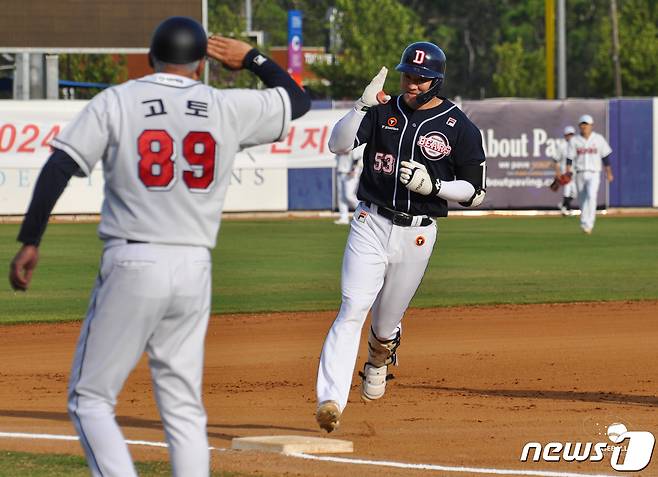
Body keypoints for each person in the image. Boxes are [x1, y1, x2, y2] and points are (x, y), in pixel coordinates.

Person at [8, 16, 310, 477]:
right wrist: (251, 58)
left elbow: (59, 166)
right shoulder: (224, 106)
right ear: (200, 63)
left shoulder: (119, 100)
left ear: (151, 58)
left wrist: (30, 240)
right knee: (184, 407)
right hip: (194, 266)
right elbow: (297, 101)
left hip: (133, 259)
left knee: (89, 399)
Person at [315, 42, 486, 432]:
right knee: (352, 308)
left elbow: (476, 191)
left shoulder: (460, 127)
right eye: (408, 74)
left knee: (385, 323)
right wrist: (360, 106)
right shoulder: (382, 111)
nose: (411, 83)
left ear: (436, 82)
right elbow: (338, 144)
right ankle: (330, 400)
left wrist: (435, 185)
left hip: (417, 233)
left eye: (420, 78)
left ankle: (379, 357)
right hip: (370, 221)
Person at [566, 114, 613, 234]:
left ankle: (589, 224)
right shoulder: (575, 140)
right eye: (582, 124)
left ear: (591, 125)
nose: (584, 126)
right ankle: (584, 223)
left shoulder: (598, 139)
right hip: (579, 172)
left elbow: (605, 157)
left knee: (592, 196)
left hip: (594, 172)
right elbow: (569, 158)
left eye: (586, 124)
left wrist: (608, 172)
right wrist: (567, 171)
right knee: (582, 199)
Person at [334, 147, 362, 224]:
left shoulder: (353, 143)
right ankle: (344, 217)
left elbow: (357, 157)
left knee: (348, 196)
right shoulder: (340, 144)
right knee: (341, 197)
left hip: (350, 173)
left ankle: (362, 211)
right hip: (341, 171)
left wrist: (353, 169)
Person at [553, 125, 576, 215]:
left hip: (575, 172)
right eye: (568, 134)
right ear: (565, 135)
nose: (570, 136)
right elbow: (555, 160)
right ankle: (566, 209)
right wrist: (558, 172)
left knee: (575, 193)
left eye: (572, 134)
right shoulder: (562, 146)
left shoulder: (576, 145)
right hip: (565, 172)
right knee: (567, 189)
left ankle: (563, 205)